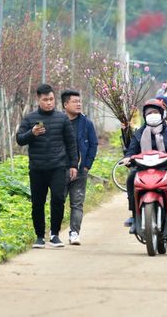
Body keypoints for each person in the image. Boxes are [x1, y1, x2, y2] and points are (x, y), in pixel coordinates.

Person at [16, 84, 78, 249]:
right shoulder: (30, 118)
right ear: (38, 99)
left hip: (58, 166)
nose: (49, 103)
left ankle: (55, 234)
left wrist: (73, 165)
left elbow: (71, 143)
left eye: (51, 99)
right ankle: (39, 236)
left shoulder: (62, 118)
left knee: (58, 199)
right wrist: (32, 133)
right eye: (45, 100)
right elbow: (20, 139)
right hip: (37, 168)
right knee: (37, 202)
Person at [122, 99, 167, 233]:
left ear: (161, 114)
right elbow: (131, 150)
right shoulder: (139, 133)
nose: (152, 115)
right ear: (144, 116)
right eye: (148, 113)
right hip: (143, 168)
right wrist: (127, 158)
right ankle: (133, 215)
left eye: (155, 112)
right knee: (131, 179)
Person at [61, 89, 99, 246]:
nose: (78, 104)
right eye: (74, 101)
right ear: (65, 104)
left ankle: (74, 233)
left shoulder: (86, 123)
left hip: (80, 169)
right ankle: (54, 232)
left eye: (79, 101)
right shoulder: (58, 121)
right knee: (58, 201)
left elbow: (94, 144)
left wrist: (87, 166)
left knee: (77, 202)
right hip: (60, 169)